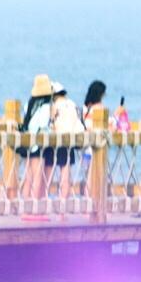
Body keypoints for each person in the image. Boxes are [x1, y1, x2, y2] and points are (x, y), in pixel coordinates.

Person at [48, 82, 85, 212]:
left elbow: (51, 122)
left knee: (49, 171)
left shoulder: (54, 106)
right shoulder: (73, 104)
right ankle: (64, 201)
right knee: (66, 172)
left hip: (57, 140)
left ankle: (47, 201)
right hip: (71, 141)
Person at [19, 74, 55, 204]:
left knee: (28, 175)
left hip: (27, 141)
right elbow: (43, 124)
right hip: (38, 143)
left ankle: (25, 204)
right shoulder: (46, 106)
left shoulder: (30, 103)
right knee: (38, 175)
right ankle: (34, 206)